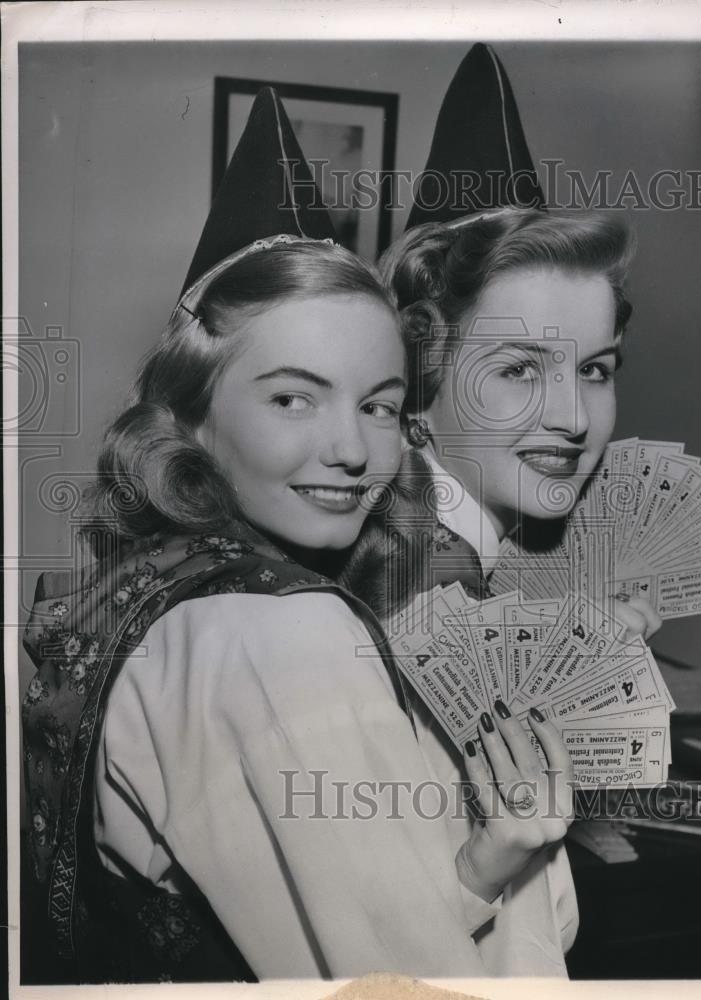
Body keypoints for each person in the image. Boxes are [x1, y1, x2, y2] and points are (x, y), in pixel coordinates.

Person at [21, 86, 577, 983]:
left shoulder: (151, 583)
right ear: (191, 414)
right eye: (293, 397)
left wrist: (483, 868)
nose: (354, 449)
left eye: (380, 406)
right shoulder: (281, 634)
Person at [381, 43, 662, 643]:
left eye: (594, 370)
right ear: (416, 383)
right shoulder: (418, 583)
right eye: (519, 370)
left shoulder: (427, 542)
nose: (573, 419)